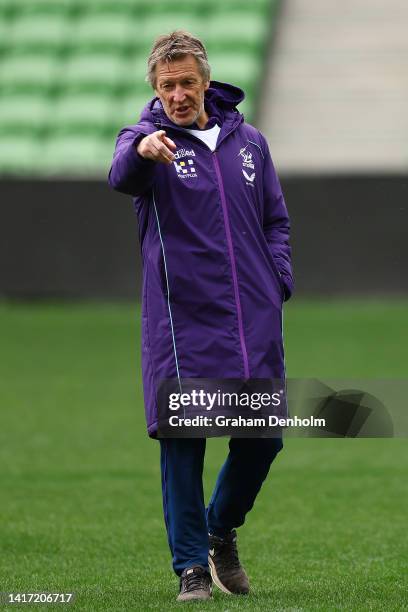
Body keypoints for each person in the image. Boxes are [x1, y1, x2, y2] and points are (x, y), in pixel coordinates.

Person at [108, 30, 293, 602]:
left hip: (250, 319)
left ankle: (219, 531)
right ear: (155, 89)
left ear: (206, 81)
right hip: (181, 323)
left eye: (187, 82)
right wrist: (143, 150)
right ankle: (191, 567)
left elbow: (275, 221)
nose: (179, 94)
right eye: (167, 86)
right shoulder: (146, 140)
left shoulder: (250, 143)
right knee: (182, 444)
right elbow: (121, 174)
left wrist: (277, 280)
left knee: (263, 438)